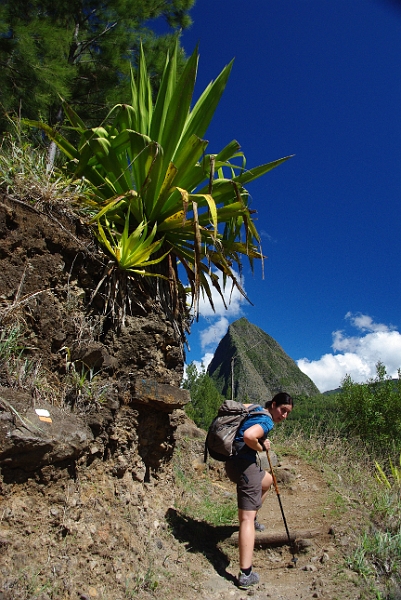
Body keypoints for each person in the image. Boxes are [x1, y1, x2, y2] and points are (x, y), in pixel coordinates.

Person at [225, 392, 294, 589]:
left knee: (268, 481)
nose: (284, 415)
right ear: (273, 405)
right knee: (245, 519)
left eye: (287, 413)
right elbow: (249, 436)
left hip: (232, 463)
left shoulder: (256, 409)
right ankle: (245, 573)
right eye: (282, 410)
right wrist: (261, 446)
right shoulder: (267, 420)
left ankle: (252, 519)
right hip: (245, 467)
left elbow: (241, 411)